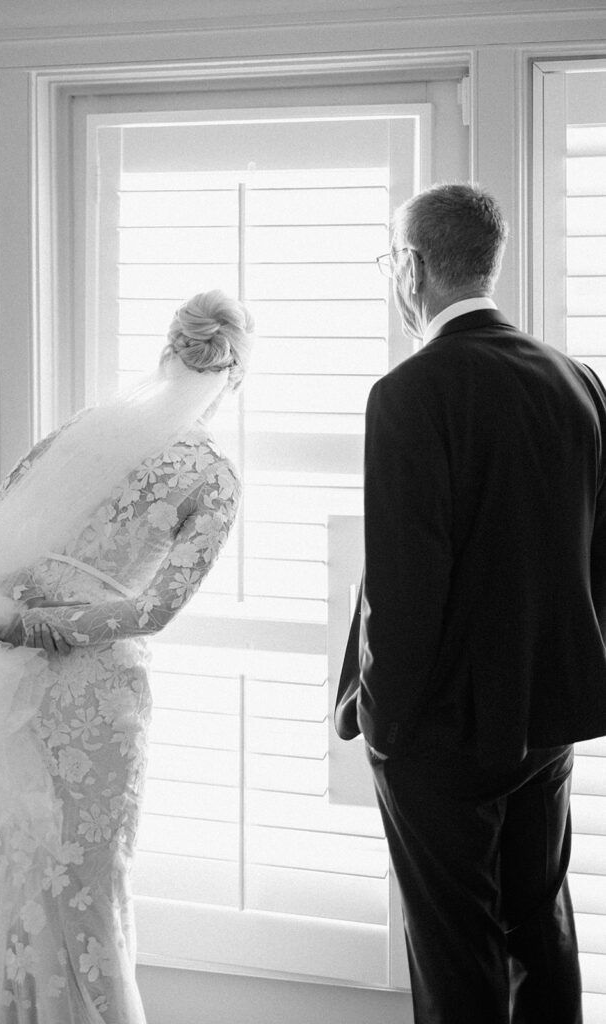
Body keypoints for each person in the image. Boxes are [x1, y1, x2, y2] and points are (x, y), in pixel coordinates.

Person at [0, 290, 254, 1023]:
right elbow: (154, 610)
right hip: (99, 690)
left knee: (21, 867)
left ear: (166, 352)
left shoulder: (87, 434)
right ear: (233, 377)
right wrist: (60, 623)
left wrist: (30, 613)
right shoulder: (213, 476)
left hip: (22, 679)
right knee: (91, 878)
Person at [334, 183, 606, 1024]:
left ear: (413, 269)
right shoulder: (577, 381)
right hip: (546, 720)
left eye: (392, 260)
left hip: (441, 732)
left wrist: (384, 724)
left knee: (455, 959)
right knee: (538, 928)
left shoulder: (410, 392)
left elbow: (404, 584)